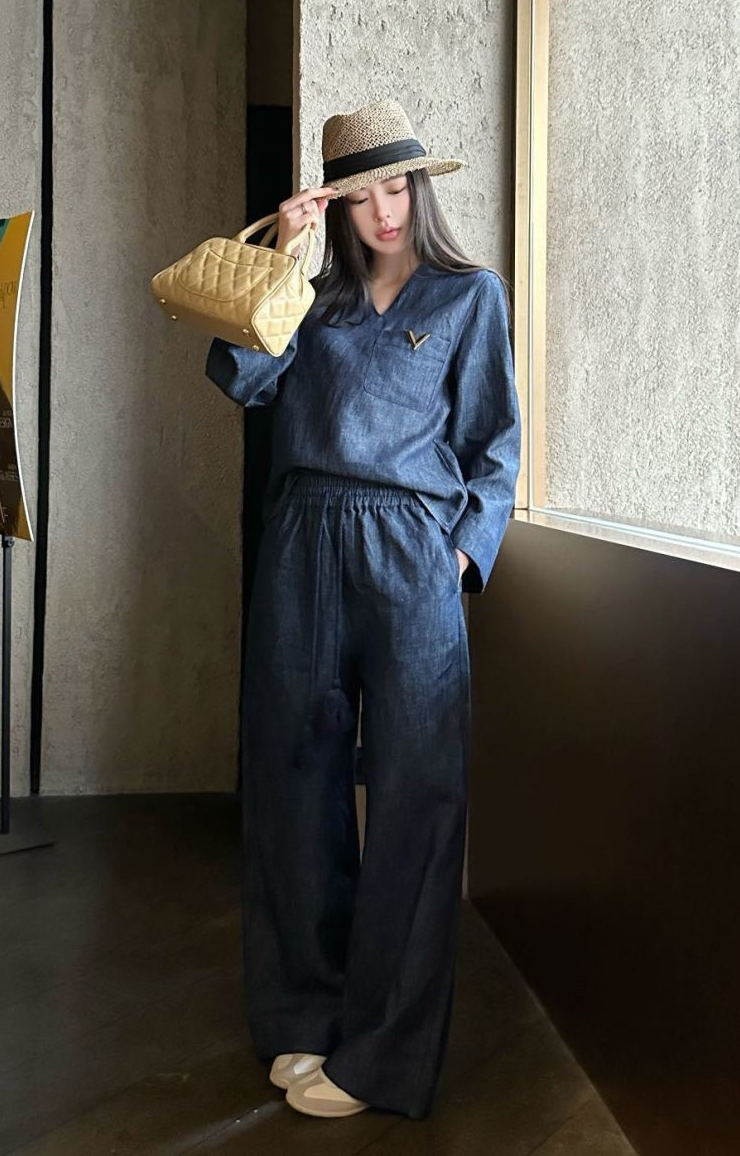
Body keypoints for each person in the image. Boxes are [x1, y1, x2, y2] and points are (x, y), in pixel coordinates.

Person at [204, 97, 522, 1121]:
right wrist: (283, 258)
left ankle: (383, 1056)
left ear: (420, 189)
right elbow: (242, 378)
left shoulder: (470, 295)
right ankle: (304, 1013)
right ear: (334, 207)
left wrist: (458, 560)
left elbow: (495, 445)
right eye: (360, 194)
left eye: (398, 186)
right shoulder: (312, 298)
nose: (385, 211)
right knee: (293, 782)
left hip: (410, 552)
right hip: (303, 538)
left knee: (418, 797)